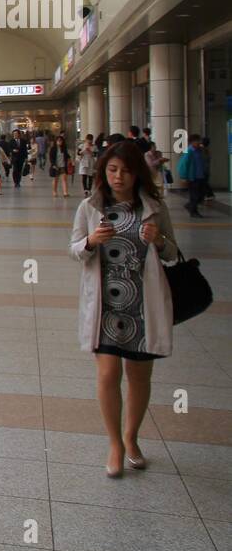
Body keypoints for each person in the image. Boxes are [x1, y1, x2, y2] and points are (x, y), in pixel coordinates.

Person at [71, 140, 177, 478]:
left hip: (142, 307)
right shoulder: (90, 207)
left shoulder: (155, 208)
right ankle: (114, 443)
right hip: (105, 307)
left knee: (139, 376)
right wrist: (90, 242)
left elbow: (173, 253)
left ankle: (132, 439)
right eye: (113, 170)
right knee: (107, 374)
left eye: (126, 171)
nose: (119, 177)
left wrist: (159, 240)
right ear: (103, 171)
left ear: (137, 174)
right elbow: (74, 250)